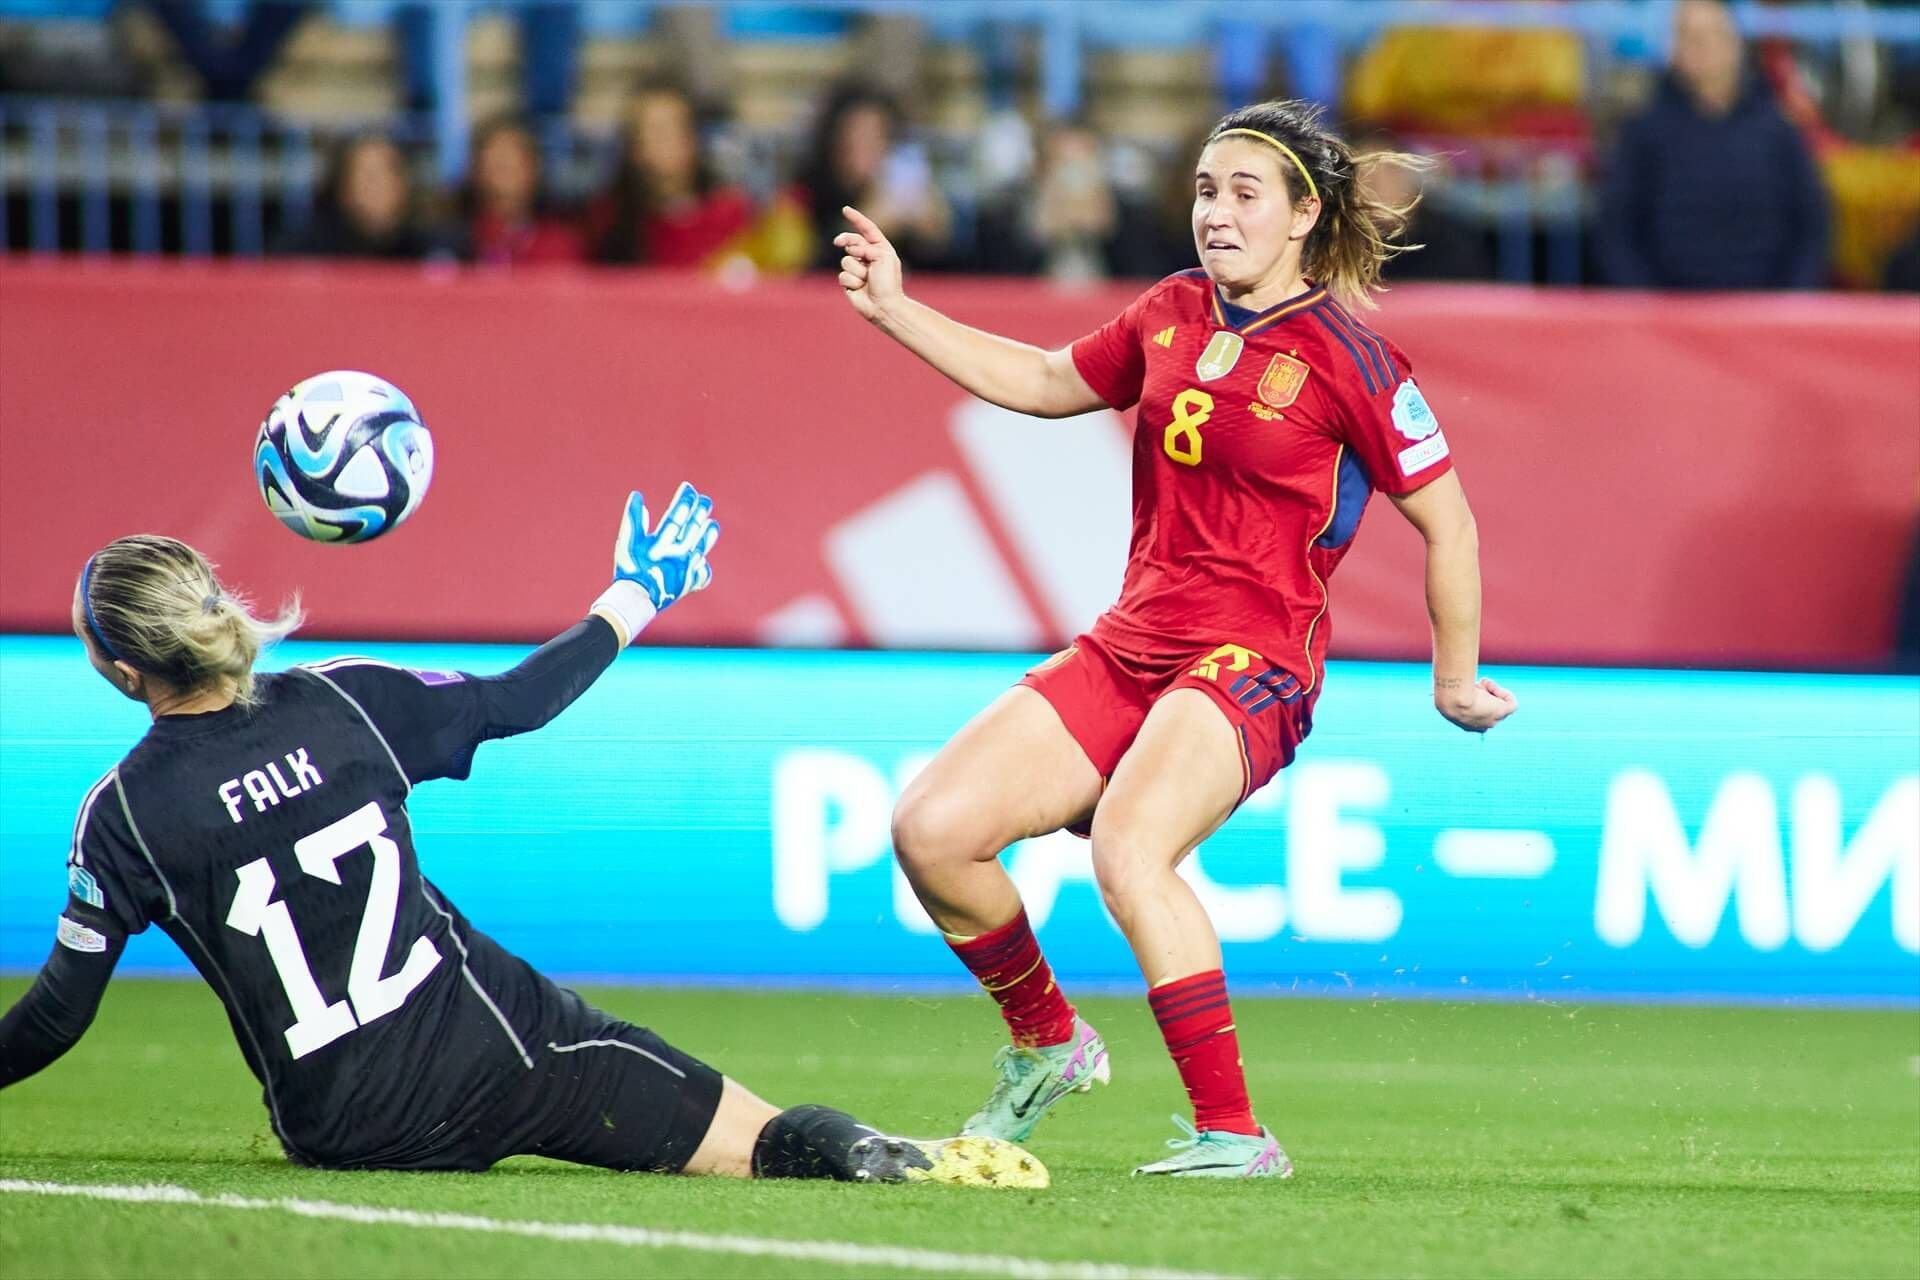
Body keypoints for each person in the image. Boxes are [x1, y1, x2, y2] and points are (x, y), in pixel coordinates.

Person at [833, 98, 1517, 1178]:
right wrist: (897, 313)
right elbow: (1052, 382)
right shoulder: (1169, 311)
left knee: (1130, 844)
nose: (1217, 212)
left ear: (1302, 216)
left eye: (1245, 192)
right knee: (932, 829)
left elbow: (1450, 519)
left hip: (1254, 658)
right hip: (1131, 640)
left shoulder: (1351, 358)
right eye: (1205, 190)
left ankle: (1237, 1134)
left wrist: (1457, 671)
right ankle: (1050, 1043)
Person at [0, 489, 1044, 1190]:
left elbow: (54, 1015)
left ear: (118, 669)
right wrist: (637, 592)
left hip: (342, 1130)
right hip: (502, 1057)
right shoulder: (345, 701)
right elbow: (516, 702)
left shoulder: (125, 814)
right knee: (756, 1135)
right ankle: (875, 1151)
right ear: (212, 601)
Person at [1597, 0, 1829, 290]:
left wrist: (1789, 302)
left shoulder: (1778, 132)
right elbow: (1617, 230)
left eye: (1712, 35)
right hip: (1668, 316)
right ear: (1674, 49)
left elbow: (1811, 226)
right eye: (1690, 38)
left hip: (1763, 313)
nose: (1703, 48)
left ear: (1735, 42)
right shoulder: (1644, 134)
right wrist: (1645, 306)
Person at [587, 84, 755, 269]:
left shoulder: (731, 215)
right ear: (634, 149)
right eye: (656, 130)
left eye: (678, 127)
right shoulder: (608, 222)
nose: (670, 139)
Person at [800, 84, 950, 273]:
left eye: (874, 139)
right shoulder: (806, 196)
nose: (863, 151)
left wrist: (933, 238)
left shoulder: (907, 192)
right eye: (854, 141)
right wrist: (860, 232)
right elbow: (800, 269)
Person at [274, 133, 445, 261]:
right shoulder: (305, 253)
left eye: (388, 173)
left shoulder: (431, 252)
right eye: (368, 176)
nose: (378, 186)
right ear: (343, 188)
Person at [459, 115, 586, 267]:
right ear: (475, 170)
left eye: (513, 161)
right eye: (495, 162)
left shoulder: (560, 244)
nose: (504, 167)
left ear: (534, 169)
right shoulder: (456, 242)